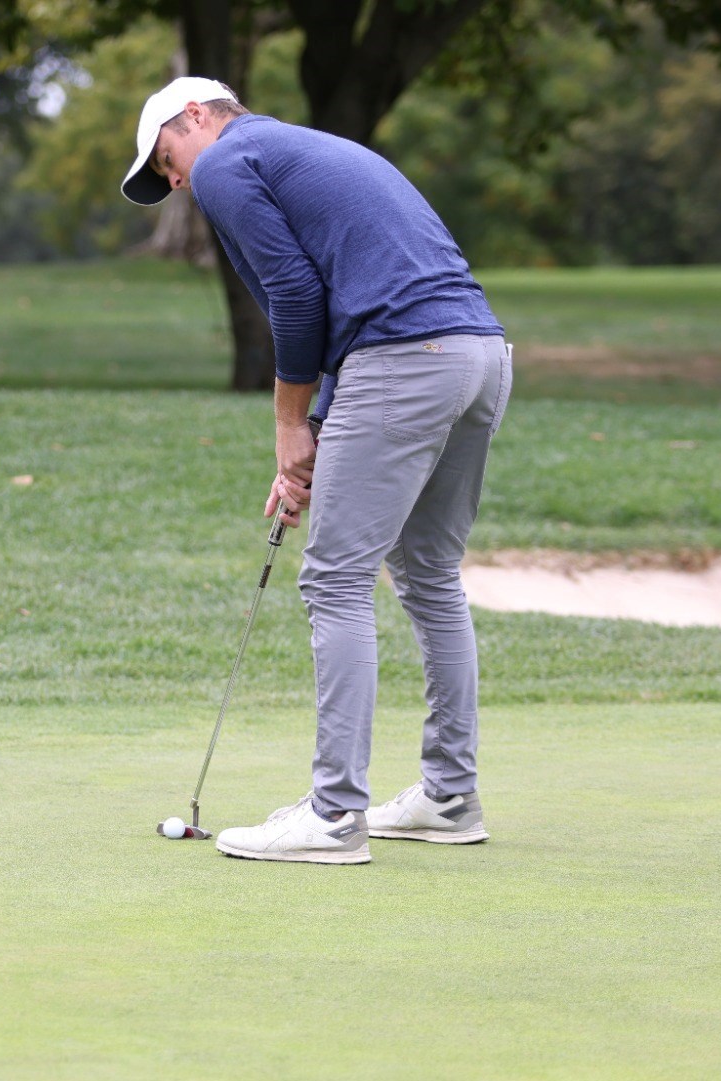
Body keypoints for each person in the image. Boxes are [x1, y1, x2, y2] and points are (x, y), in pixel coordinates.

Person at [121, 77, 512, 865]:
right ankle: (448, 796)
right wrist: (316, 436)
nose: (173, 181)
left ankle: (333, 815)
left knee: (334, 579)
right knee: (430, 574)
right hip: (477, 355)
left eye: (166, 159)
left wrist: (288, 423)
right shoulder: (305, 150)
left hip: (404, 359)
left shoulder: (230, 161)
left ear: (195, 116)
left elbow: (296, 299)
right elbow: (349, 304)